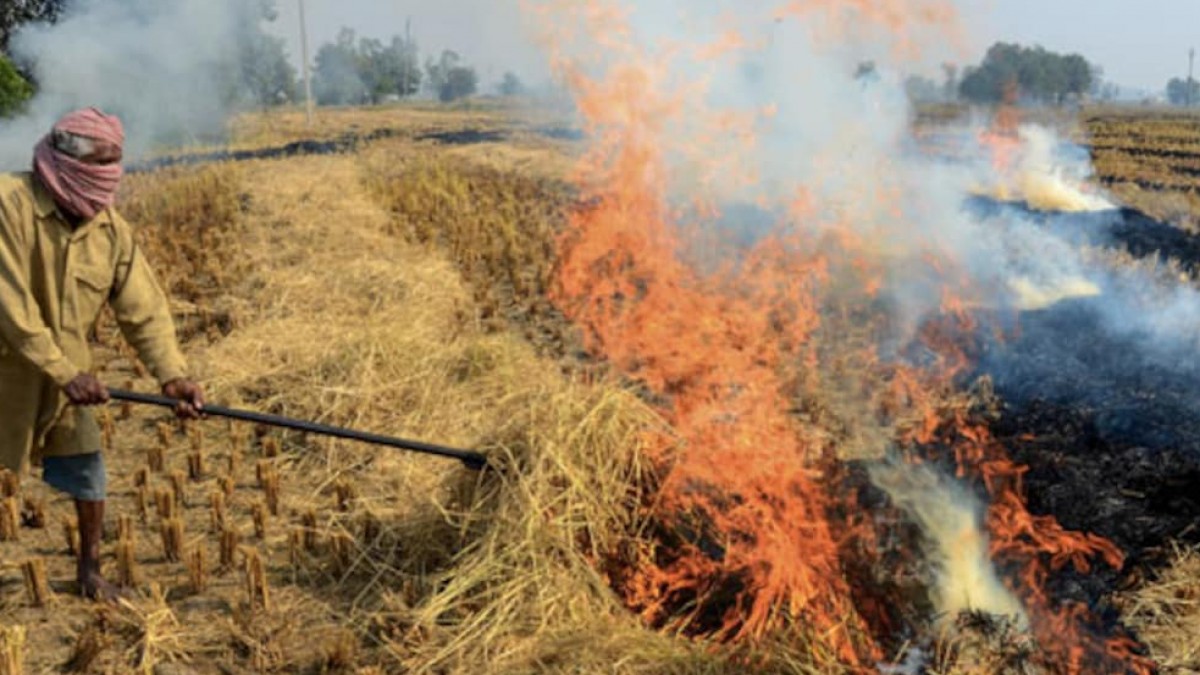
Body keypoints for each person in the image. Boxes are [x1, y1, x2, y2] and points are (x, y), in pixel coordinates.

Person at [0, 107, 204, 600]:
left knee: (88, 473)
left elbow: (144, 309)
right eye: (96, 168)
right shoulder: (8, 203)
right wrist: (64, 371)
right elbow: (9, 304)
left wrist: (172, 377)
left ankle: (89, 572)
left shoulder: (111, 231)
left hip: (66, 378)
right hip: (9, 372)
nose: (102, 185)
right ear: (61, 164)